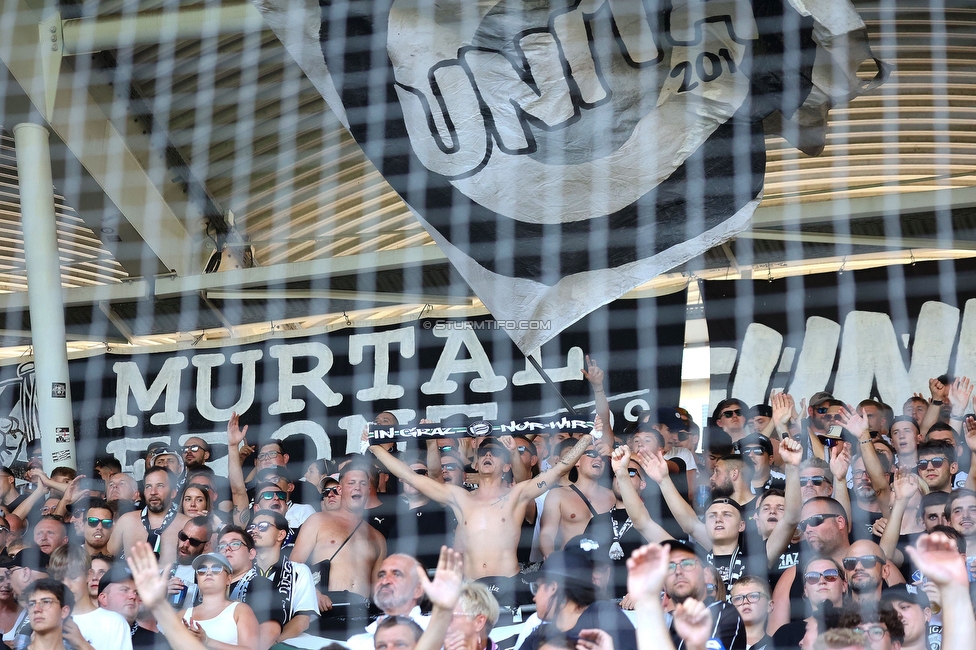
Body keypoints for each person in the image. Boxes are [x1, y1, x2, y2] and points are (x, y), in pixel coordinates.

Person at [370, 423, 601, 603]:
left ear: (507, 465)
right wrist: (373, 448)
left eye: (495, 453)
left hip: (509, 585)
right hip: (470, 588)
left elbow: (561, 467)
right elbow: (411, 477)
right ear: (476, 464)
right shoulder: (460, 498)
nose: (487, 456)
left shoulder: (516, 495)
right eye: (482, 454)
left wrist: (588, 437)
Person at [289, 459, 386, 606]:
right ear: (340, 489)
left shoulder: (378, 538)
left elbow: (378, 589)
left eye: (363, 484)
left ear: (369, 490)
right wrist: (313, 594)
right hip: (324, 608)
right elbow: (293, 567)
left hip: (362, 613)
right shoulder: (317, 520)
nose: (357, 488)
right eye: (351, 483)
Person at [520, 549, 637, 650]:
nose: (534, 598)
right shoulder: (541, 633)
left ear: (553, 588)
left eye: (537, 587)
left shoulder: (602, 613)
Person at [660, 539, 746, 650]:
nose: (678, 571)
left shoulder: (722, 611)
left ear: (706, 575)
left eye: (687, 563)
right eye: (669, 567)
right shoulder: (659, 623)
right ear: (664, 585)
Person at [248, 510, 318, 643]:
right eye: (252, 527)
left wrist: (271, 643)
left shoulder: (299, 571)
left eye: (263, 526)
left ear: (281, 534)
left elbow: (303, 619)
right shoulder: (243, 570)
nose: (255, 530)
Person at [47, 544, 133, 650]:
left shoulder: (114, 622)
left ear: (89, 575)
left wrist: (82, 644)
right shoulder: (46, 619)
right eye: (60, 579)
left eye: (73, 576)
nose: (67, 585)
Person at [539, 440, 614, 557]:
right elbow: (547, 534)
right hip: (570, 565)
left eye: (603, 457)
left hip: (603, 566)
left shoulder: (613, 497)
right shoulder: (558, 495)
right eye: (592, 454)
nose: (598, 459)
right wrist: (551, 559)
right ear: (577, 461)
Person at [216, 525, 285, 648]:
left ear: (251, 554)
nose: (227, 549)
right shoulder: (210, 586)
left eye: (235, 544)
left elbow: (270, 631)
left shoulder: (262, 586)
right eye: (222, 546)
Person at [109, 467, 188, 567]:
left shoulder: (187, 525)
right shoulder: (126, 521)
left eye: (160, 486)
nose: (153, 492)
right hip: (132, 581)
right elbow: (108, 558)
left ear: (173, 493)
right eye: (148, 486)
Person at [345, 554, 428, 650]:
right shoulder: (356, 643)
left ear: (417, 589)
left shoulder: (441, 631)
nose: (384, 581)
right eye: (382, 575)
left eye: (396, 574)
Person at [181, 552, 260, 650]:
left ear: (228, 579)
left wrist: (208, 641)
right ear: (197, 578)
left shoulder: (240, 610)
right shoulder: (182, 615)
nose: (208, 572)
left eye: (216, 568)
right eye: (202, 569)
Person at [730, 576, 774, 650]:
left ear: (769, 606)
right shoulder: (722, 642)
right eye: (738, 598)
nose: (745, 602)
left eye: (753, 596)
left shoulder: (777, 645)